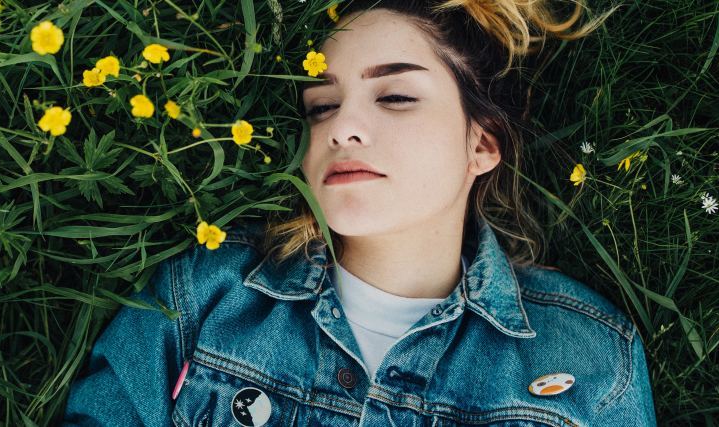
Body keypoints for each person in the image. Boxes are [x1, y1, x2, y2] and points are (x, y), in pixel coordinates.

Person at [62, 0, 655, 425]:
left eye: (395, 97)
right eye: (321, 106)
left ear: (481, 144)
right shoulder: (206, 294)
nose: (342, 128)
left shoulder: (588, 356)